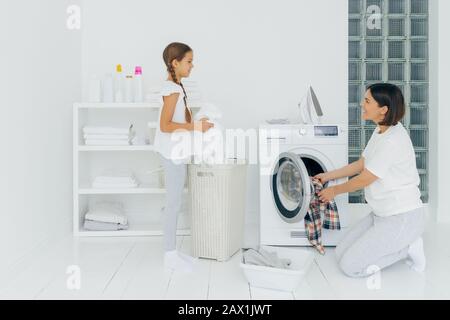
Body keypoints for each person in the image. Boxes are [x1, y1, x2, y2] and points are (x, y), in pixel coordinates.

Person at [315, 83, 426, 278]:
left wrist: (333, 191)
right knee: (340, 252)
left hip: (402, 217)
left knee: (350, 267)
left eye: (367, 101)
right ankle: (401, 244)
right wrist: (328, 175)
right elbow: (361, 164)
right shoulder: (381, 131)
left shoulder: (392, 141)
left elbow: (364, 179)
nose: (361, 104)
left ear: (383, 109)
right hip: (380, 215)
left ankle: (408, 247)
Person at [154, 42, 214, 271]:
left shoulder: (177, 88)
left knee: (175, 202)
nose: (192, 66)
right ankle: (169, 255)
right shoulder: (172, 90)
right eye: (188, 61)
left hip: (175, 153)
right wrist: (196, 127)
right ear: (175, 63)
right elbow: (165, 125)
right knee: (173, 204)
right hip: (171, 154)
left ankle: (173, 253)